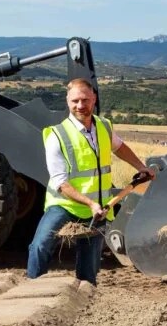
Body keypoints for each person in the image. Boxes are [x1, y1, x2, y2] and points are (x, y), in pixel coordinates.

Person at [28, 78, 153, 283]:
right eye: (75, 101)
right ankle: (33, 286)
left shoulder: (104, 126)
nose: (80, 106)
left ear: (94, 98)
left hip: (99, 208)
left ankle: (84, 296)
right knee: (40, 245)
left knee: (89, 265)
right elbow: (60, 183)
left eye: (85, 100)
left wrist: (141, 167)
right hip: (65, 205)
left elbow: (119, 147)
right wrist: (89, 203)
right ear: (67, 101)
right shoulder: (56, 136)